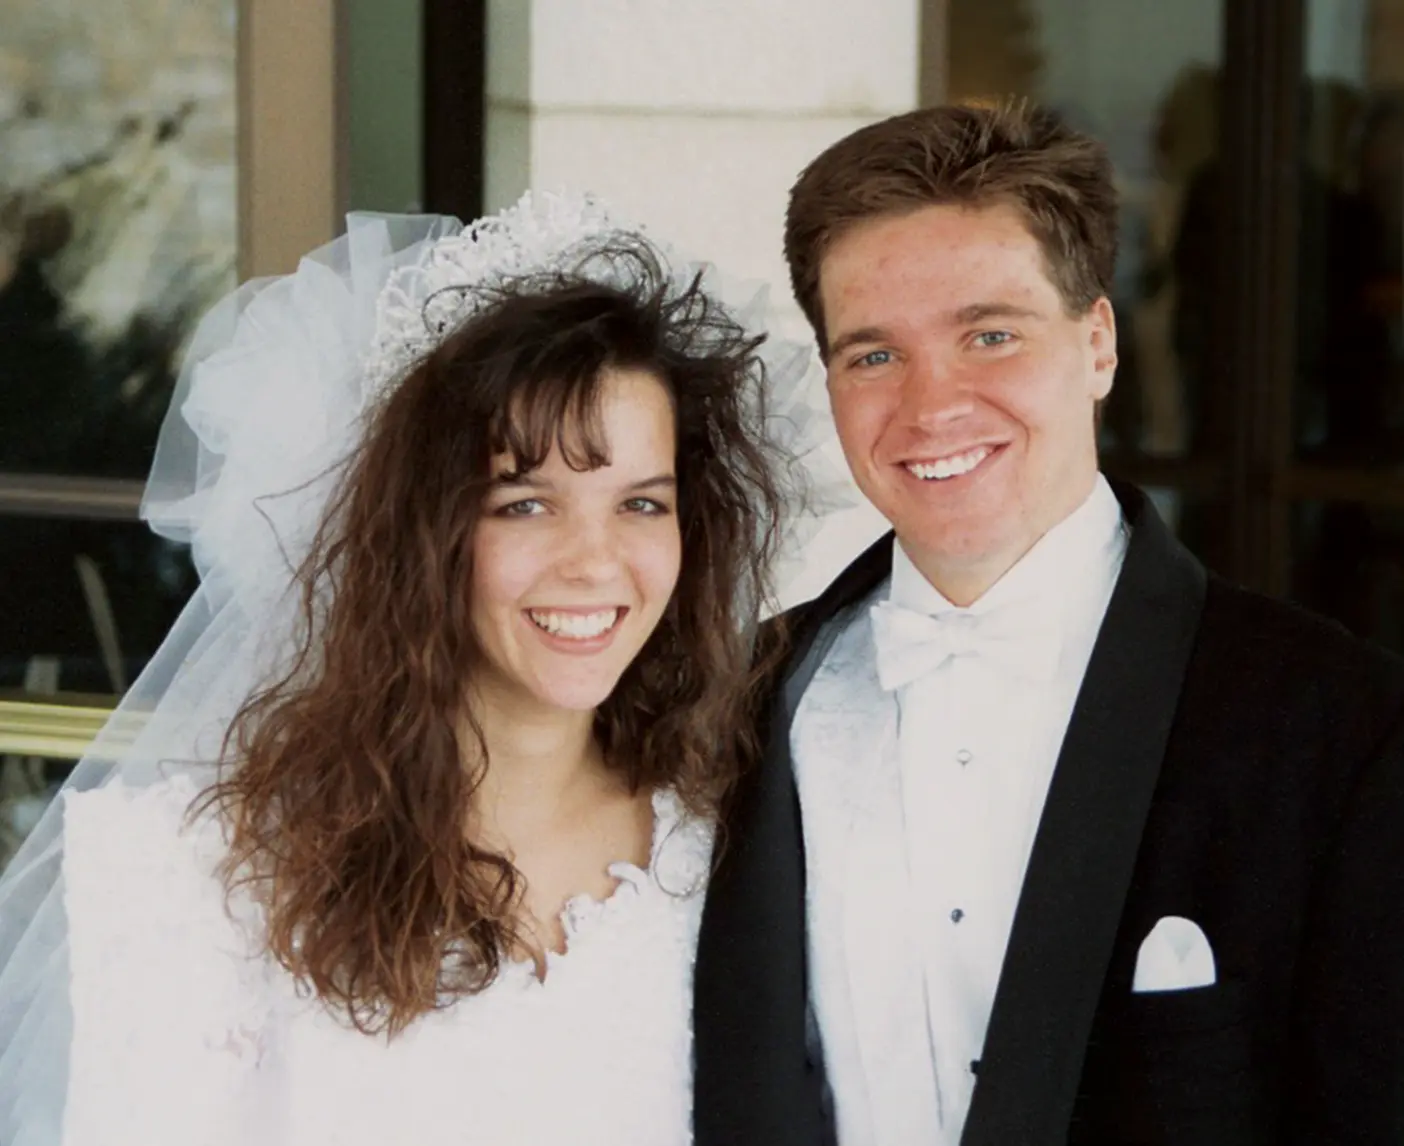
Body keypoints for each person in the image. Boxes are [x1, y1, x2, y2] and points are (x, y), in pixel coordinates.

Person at [0, 193, 825, 1145]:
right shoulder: (204, 877)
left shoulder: (738, 851)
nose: (596, 562)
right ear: (418, 532)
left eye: (641, 504)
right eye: (525, 503)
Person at [691, 101, 1404, 1145]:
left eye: (990, 334)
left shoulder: (1341, 726)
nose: (933, 406)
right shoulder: (736, 708)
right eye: (874, 355)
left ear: (1099, 342)